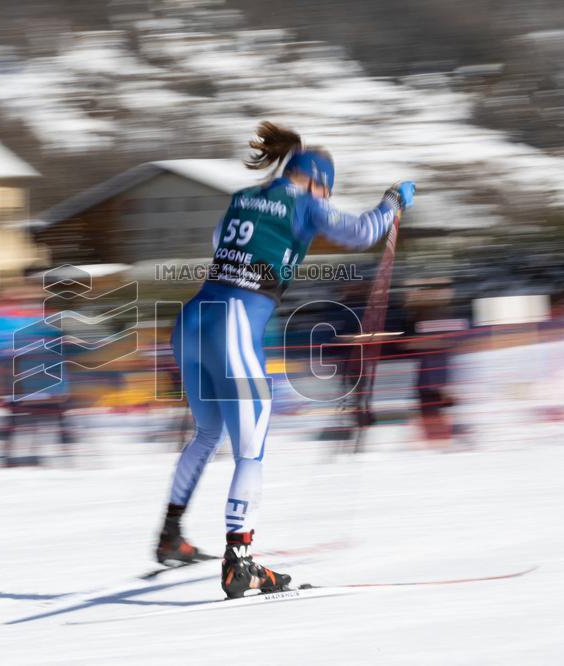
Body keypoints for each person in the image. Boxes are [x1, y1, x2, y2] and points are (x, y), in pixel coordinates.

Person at [155, 121, 416, 598]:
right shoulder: (307, 202)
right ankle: (240, 561)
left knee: (209, 432)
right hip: (234, 320)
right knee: (250, 446)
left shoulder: (242, 196)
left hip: (192, 319)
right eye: (327, 189)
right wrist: (392, 203)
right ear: (317, 181)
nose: (326, 196)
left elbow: (219, 242)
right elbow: (358, 232)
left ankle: (170, 534)